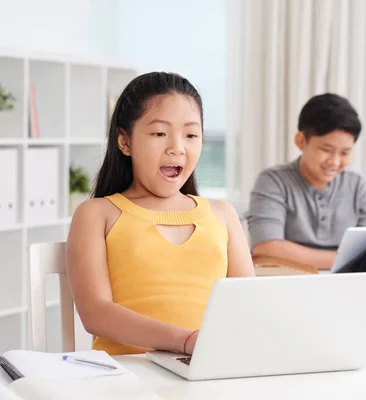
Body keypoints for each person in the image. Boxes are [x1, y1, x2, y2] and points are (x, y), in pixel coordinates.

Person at [65, 72, 255, 356]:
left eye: (191, 135)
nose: (177, 147)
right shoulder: (97, 214)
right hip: (126, 377)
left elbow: (248, 304)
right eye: (159, 133)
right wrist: (187, 341)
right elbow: (95, 313)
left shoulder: (222, 215)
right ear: (124, 142)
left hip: (206, 369)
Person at [247, 93, 366, 273]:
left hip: (345, 286)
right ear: (301, 141)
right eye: (326, 150)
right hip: (290, 285)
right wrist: (358, 260)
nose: (335, 162)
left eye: (345, 153)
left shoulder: (356, 185)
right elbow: (266, 249)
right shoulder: (273, 181)